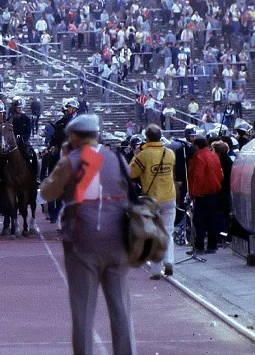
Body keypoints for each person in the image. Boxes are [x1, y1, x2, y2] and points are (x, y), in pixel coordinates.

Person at [41, 114, 137, 355]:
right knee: (121, 308)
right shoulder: (117, 157)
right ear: (97, 135)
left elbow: (48, 193)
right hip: (118, 240)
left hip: (82, 243)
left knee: (83, 312)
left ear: (73, 136)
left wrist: (65, 158)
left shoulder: (71, 160)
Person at [129, 124, 176, 279]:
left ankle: (156, 269)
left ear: (147, 138)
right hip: (170, 197)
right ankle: (169, 261)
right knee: (168, 231)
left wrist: (136, 155)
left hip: (152, 199)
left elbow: (131, 172)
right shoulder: (169, 153)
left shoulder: (144, 155)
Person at [187, 136, 224, 254]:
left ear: (197, 145)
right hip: (214, 192)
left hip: (202, 194)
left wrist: (193, 193)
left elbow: (198, 177)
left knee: (200, 221)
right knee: (212, 220)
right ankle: (212, 245)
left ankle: (199, 246)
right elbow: (220, 174)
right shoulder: (213, 155)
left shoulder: (199, 157)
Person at [10, 96, 39, 179]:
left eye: (20, 107)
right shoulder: (10, 119)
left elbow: (28, 131)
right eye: (18, 108)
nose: (19, 109)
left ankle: (35, 176)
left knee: (32, 154)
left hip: (23, 141)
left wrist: (23, 139)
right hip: (12, 142)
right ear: (14, 108)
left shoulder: (26, 118)